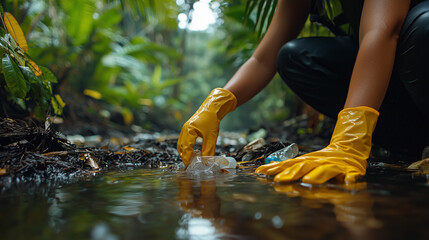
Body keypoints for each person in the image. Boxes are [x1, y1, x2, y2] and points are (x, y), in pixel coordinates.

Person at [177, 0, 429, 184]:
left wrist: (348, 141)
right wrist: (215, 105)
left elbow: (382, 31)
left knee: (424, 28)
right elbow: (263, 59)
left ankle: (360, 144)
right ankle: (409, 144)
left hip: (412, 51)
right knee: (295, 57)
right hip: (396, 86)